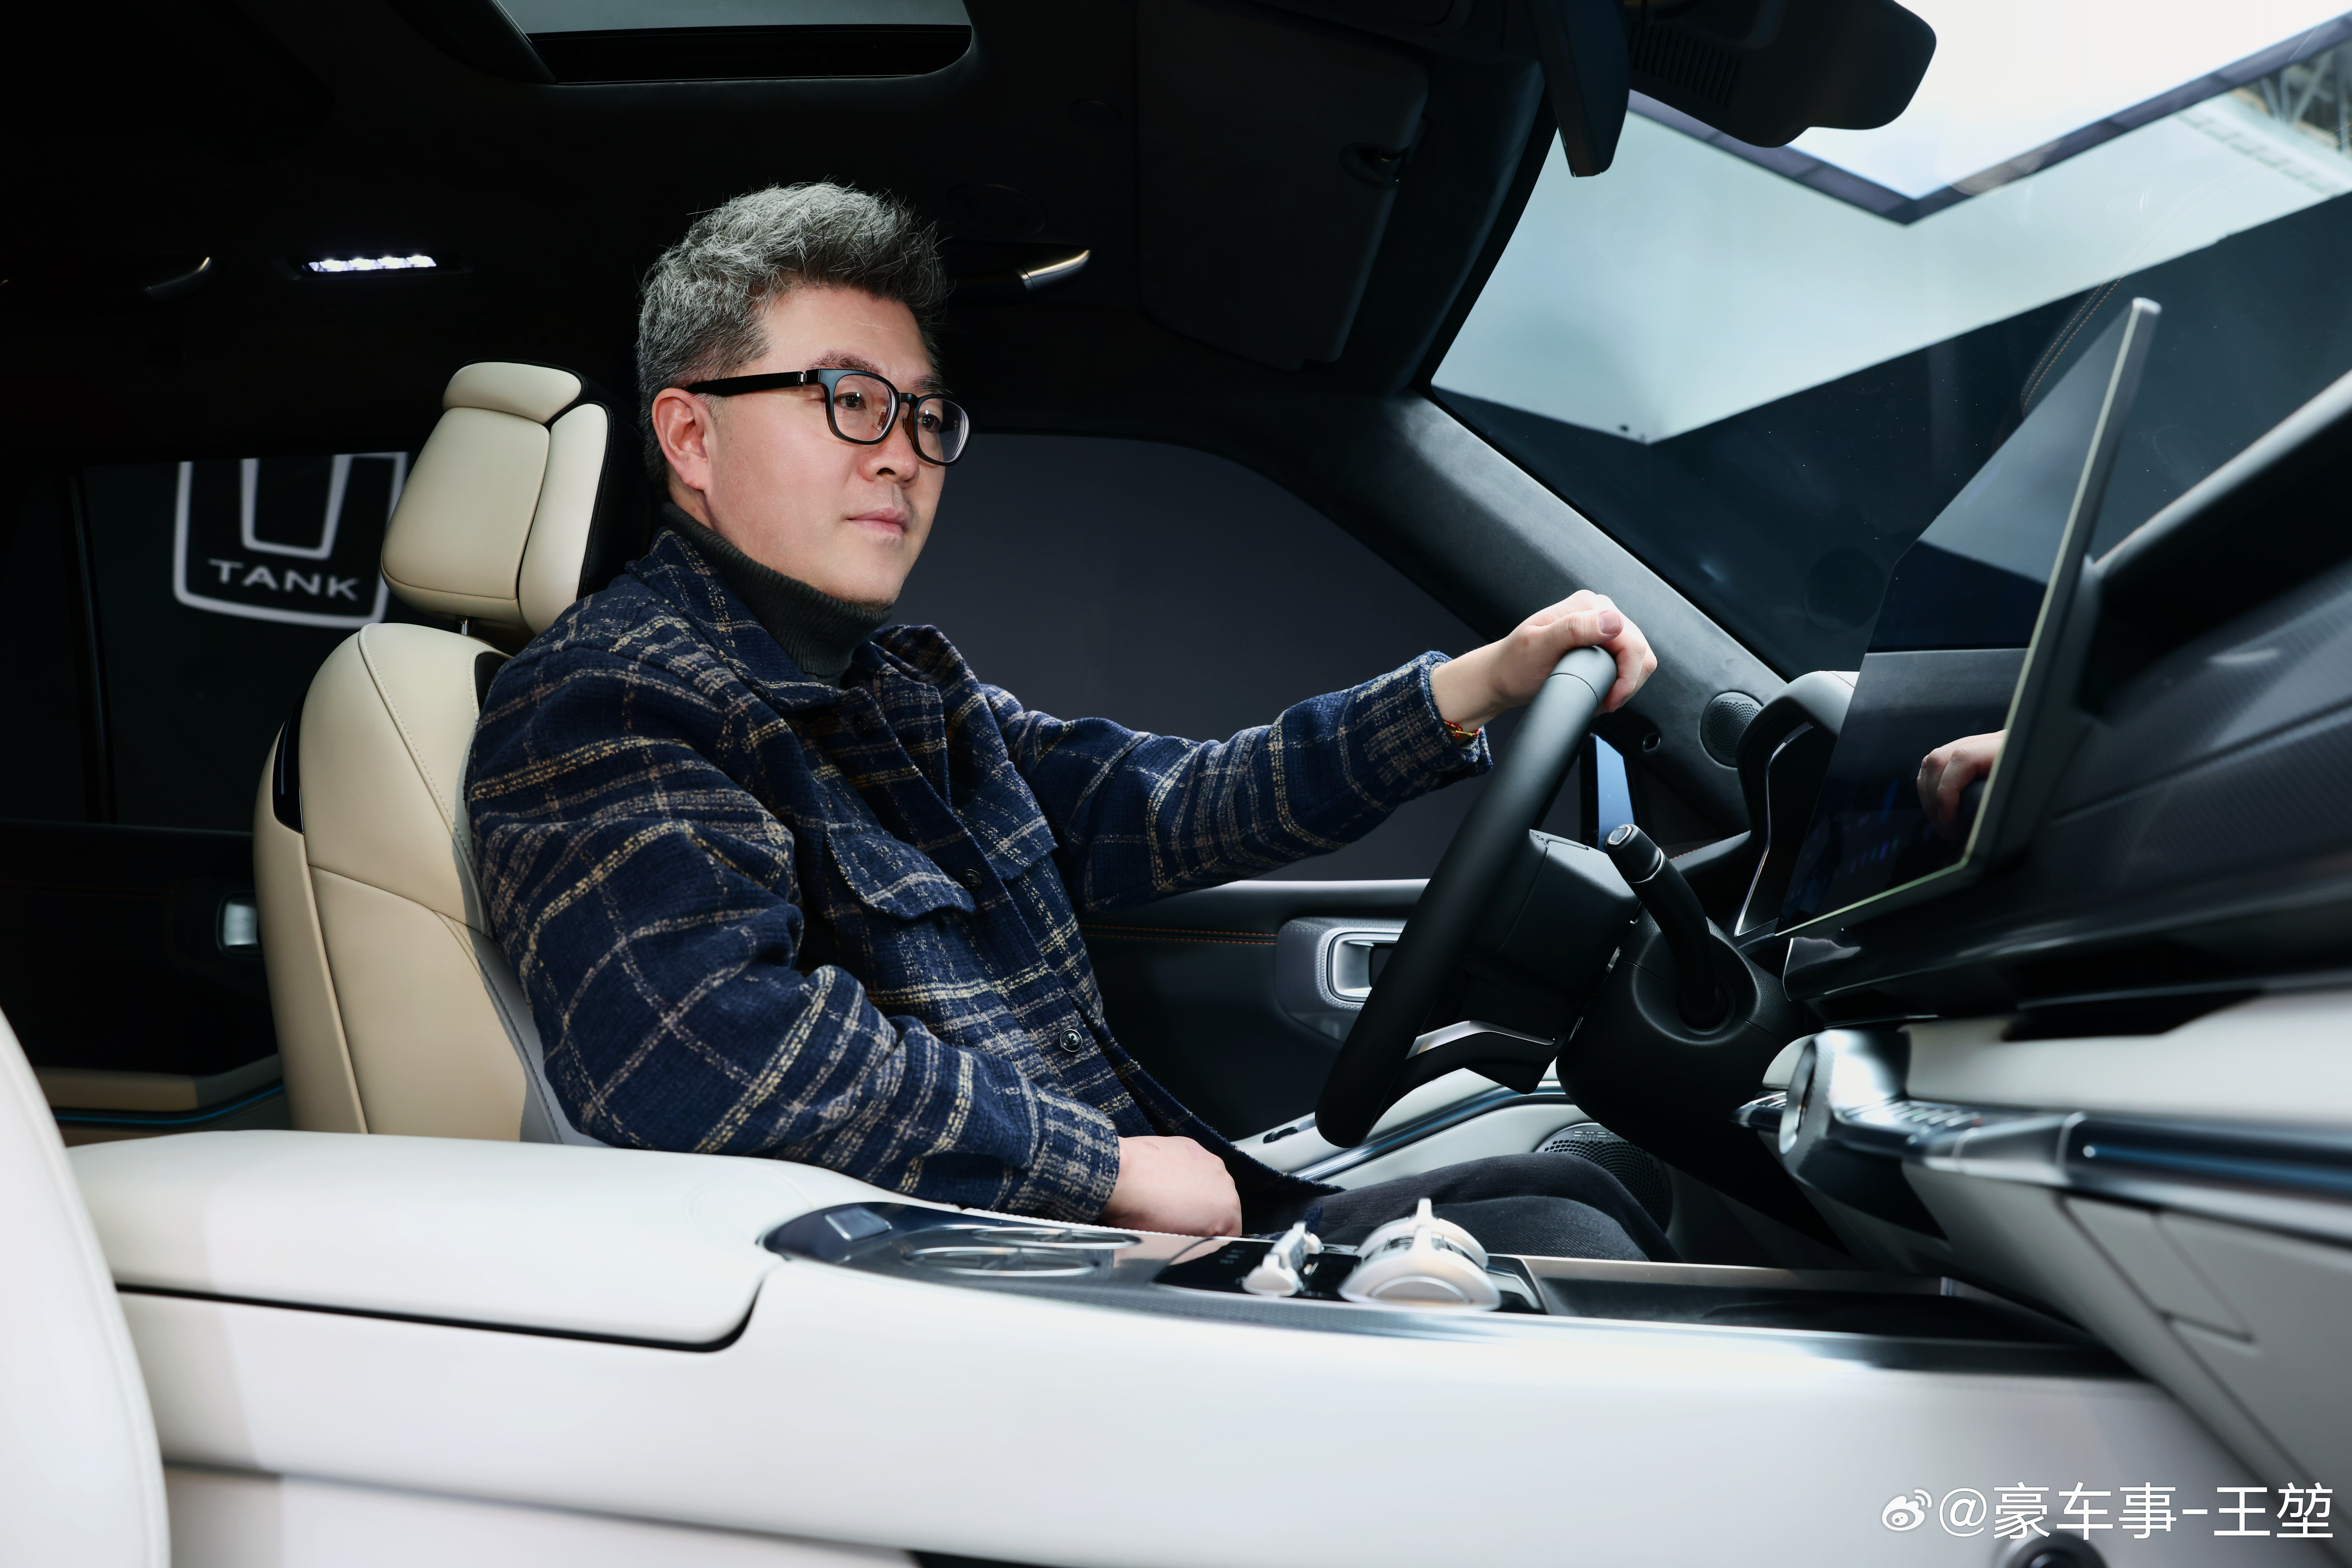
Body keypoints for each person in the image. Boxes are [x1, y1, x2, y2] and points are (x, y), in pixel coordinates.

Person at [466, 183, 1670, 1261]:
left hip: (1109, 1248)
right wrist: (1104, 1170)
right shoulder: (602, 703)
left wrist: (1482, 684)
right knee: (1565, 1234)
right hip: (996, 1279)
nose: (903, 458)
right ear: (691, 435)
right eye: (851, 401)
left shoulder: (903, 695)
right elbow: (711, 1052)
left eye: (925, 416)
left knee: (1583, 1186)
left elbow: (1174, 804)